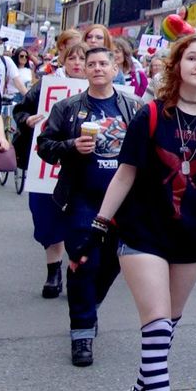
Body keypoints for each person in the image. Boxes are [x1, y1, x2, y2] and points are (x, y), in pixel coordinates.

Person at [80, 33, 196, 391]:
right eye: (191, 57)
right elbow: (125, 176)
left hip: (189, 239)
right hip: (142, 234)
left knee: (168, 329)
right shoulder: (149, 116)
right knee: (157, 325)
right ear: (177, 65)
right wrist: (99, 224)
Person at [37, 45, 140, 366]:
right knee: (83, 259)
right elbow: (44, 146)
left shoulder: (133, 107)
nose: (96, 68)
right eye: (91, 64)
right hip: (81, 198)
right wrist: (71, 145)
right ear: (84, 70)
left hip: (123, 201)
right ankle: (81, 332)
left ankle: (88, 306)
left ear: (114, 68)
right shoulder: (68, 108)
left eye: (102, 64)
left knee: (111, 262)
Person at [13, 37, 86, 297]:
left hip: (81, 169)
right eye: (72, 58)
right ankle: (53, 270)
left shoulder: (101, 89)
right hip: (46, 166)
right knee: (46, 217)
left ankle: (75, 270)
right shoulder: (47, 84)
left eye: (82, 58)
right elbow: (20, 111)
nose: (77, 63)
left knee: (79, 220)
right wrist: (27, 120)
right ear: (64, 60)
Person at [0, 31, 26, 100]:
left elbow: (19, 84)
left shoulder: (6, 61)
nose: (1, 46)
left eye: (2, 43)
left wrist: (31, 98)